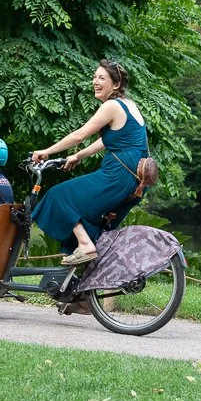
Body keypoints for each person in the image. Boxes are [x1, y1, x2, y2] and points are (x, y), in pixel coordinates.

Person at [29, 59, 149, 265]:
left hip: (117, 176)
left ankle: (85, 245)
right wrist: (77, 156)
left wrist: (46, 152)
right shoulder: (129, 105)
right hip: (136, 180)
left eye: (101, 78)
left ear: (116, 84)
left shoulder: (111, 106)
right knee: (91, 221)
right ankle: (84, 293)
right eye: (94, 77)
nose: (95, 81)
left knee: (58, 196)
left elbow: (79, 136)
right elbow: (107, 140)